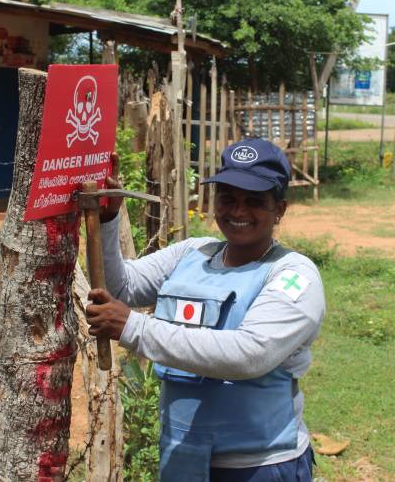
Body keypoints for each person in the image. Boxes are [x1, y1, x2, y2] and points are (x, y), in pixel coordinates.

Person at [85, 137, 325, 481]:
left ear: (280, 210)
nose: (238, 211)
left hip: (260, 466)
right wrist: (107, 222)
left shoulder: (293, 275)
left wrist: (133, 328)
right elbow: (122, 287)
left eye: (254, 201)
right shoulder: (193, 254)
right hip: (183, 459)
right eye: (227, 198)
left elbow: (249, 354)